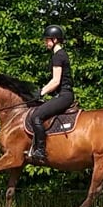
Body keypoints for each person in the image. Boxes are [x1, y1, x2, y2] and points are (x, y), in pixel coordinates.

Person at [30, 24, 74, 163]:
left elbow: (55, 81)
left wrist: (41, 92)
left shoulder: (57, 56)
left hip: (64, 95)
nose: (45, 42)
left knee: (36, 116)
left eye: (47, 40)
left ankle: (41, 151)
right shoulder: (61, 54)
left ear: (55, 40)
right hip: (63, 94)